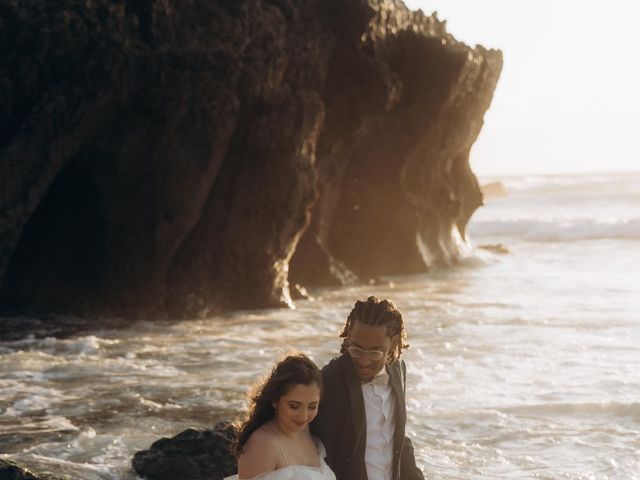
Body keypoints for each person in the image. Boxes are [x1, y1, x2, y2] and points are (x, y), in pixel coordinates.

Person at [312, 296, 425, 480]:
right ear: (348, 337)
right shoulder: (329, 379)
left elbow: (397, 436)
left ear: (393, 344)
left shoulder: (398, 369)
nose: (364, 361)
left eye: (375, 352)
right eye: (356, 349)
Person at [226, 353, 336, 480]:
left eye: (312, 406)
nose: (304, 417)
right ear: (275, 401)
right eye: (294, 406)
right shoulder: (262, 444)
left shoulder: (306, 431)